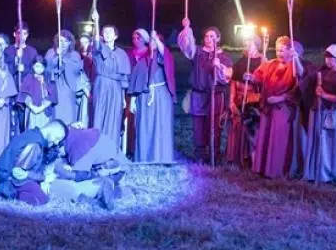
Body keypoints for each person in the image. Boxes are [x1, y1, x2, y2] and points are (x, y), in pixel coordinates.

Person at [178, 20, 234, 164]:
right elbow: (186, 46)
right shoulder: (197, 52)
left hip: (215, 96)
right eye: (207, 36)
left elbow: (227, 76)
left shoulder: (224, 57)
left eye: (212, 36)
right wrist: (187, 29)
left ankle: (214, 156)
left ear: (218, 39)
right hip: (198, 95)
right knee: (199, 126)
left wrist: (219, 66)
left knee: (214, 126)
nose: (208, 39)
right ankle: (200, 156)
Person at [251, 37, 304, 178]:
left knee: (278, 138)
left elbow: (300, 81)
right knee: (265, 136)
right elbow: (258, 76)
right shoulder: (271, 64)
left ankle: (276, 171)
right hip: (267, 107)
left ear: (289, 51)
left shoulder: (293, 66)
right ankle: (262, 168)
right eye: (277, 50)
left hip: (283, 108)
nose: (278, 53)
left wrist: (280, 98)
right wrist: (250, 78)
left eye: (282, 50)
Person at [301, 45, 336, 183]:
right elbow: (307, 80)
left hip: (334, 113)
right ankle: (314, 172)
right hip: (318, 111)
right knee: (317, 141)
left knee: (331, 143)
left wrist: (325, 95)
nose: (327, 61)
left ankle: (331, 174)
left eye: (330, 58)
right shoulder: (323, 71)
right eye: (326, 57)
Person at [0, 120, 68, 206]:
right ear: (51, 130)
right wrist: (43, 178)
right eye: (57, 138)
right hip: (11, 178)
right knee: (41, 199)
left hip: (9, 172)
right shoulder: (35, 145)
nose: (56, 142)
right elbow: (18, 173)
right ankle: (2, 187)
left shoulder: (34, 134)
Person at [46, 126, 125, 210]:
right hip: (113, 164)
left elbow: (78, 176)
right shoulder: (72, 135)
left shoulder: (78, 150)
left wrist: (96, 174)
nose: (58, 154)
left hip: (113, 172)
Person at [130, 30, 176, 164]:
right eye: (151, 41)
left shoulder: (164, 58)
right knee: (144, 127)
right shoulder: (142, 61)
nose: (153, 43)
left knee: (160, 127)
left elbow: (164, 54)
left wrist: (157, 38)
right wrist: (133, 101)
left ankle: (160, 157)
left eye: (156, 41)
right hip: (144, 98)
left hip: (161, 97)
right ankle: (144, 157)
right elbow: (135, 83)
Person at [90, 24, 131, 146]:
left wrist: (123, 98)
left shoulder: (122, 54)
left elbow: (123, 78)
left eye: (110, 32)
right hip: (101, 84)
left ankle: (111, 147)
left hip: (116, 88)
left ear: (116, 36)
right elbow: (96, 43)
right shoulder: (98, 49)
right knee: (99, 114)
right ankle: (96, 147)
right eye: (104, 32)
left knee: (113, 117)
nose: (107, 34)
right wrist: (96, 22)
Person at [227, 37, 264, 168]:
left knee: (253, 132)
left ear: (257, 46)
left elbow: (265, 83)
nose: (246, 47)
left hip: (253, 102)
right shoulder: (241, 62)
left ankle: (254, 162)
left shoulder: (263, 61)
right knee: (238, 129)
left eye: (250, 44)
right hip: (239, 100)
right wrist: (231, 101)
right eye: (245, 44)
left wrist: (254, 79)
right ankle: (238, 159)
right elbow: (233, 81)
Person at [44, 30, 86, 126]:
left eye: (65, 41)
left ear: (70, 43)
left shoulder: (75, 54)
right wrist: (56, 57)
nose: (62, 44)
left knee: (68, 117)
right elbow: (46, 69)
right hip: (54, 88)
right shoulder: (50, 52)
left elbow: (76, 69)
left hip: (68, 88)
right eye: (60, 41)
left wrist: (63, 59)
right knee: (55, 117)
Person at [5, 23, 39, 134]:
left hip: (25, 91)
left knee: (24, 119)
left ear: (27, 35)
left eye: (24, 34)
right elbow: (4, 69)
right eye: (19, 33)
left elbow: (36, 71)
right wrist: (15, 62)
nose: (22, 37)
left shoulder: (32, 52)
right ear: (14, 34)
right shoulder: (8, 50)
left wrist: (24, 69)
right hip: (11, 90)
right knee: (11, 120)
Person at [20, 58, 56, 129]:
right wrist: (32, 107)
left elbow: (53, 96)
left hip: (44, 111)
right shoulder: (28, 78)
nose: (39, 69)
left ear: (44, 67)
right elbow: (24, 94)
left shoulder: (49, 78)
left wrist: (41, 108)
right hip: (32, 111)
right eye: (37, 66)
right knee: (32, 131)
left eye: (41, 67)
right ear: (33, 66)